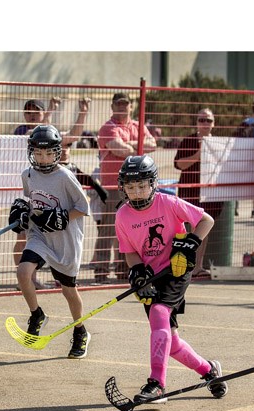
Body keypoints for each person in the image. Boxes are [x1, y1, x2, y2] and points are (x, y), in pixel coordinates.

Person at [114, 154, 228, 403]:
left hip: (177, 269)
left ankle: (157, 385)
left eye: (142, 185)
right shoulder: (122, 216)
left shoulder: (168, 203)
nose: (137, 192)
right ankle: (209, 371)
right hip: (151, 275)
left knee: (158, 313)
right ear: (123, 188)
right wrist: (137, 272)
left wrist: (192, 242)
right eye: (131, 187)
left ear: (153, 183)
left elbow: (205, 220)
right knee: (170, 341)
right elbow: (130, 252)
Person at [9, 125, 91, 358]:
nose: (43, 159)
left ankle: (80, 330)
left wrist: (63, 216)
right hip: (40, 236)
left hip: (65, 241)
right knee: (24, 272)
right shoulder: (28, 175)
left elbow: (83, 207)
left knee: (68, 290)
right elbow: (32, 202)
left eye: (48, 153)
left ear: (57, 152)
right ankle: (37, 315)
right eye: (38, 153)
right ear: (31, 152)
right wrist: (23, 212)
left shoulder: (65, 176)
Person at [12, 97, 92, 290]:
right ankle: (28, 278)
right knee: (23, 236)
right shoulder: (22, 132)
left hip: (50, 190)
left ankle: (49, 275)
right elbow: (36, 134)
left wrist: (82, 112)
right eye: (29, 112)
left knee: (50, 238)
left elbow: (73, 135)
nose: (33, 115)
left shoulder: (51, 139)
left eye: (37, 112)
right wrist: (49, 112)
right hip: (29, 183)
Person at [93, 92, 157, 284]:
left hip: (137, 187)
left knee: (130, 230)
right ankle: (101, 271)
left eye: (125, 104)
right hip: (113, 185)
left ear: (131, 106)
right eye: (118, 104)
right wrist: (137, 147)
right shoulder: (107, 128)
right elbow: (119, 149)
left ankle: (124, 271)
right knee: (108, 228)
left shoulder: (138, 125)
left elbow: (153, 144)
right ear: (112, 106)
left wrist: (129, 146)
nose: (122, 107)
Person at [173, 108, 222, 278]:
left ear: (213, 123)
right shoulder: (188, 140)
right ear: (196, 122)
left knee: (202, 228)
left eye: (208, 120)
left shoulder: (218, 143)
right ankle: (184, 265)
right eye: (202, 120)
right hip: (190, 190)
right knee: (186, 229)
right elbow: (179, 164)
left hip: (209, 192)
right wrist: (199, 155)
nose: (205, 124)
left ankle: (197, 266)